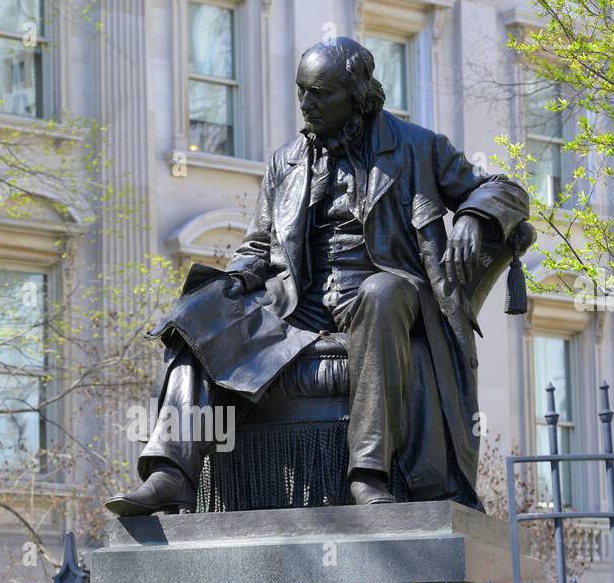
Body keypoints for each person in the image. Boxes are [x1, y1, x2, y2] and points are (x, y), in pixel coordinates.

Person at [106, 36, 529, 516]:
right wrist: (233, 282)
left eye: (321, 93)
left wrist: (475, 216)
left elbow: (505, 190)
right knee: (197, 309)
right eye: (302, 90)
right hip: (298, 312)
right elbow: (258, 248)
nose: (306, 104)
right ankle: (171, 473)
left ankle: (369, 476)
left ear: (358, 95)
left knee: (381, 290)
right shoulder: (286, 162)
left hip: (388, 299)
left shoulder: (418, 148)